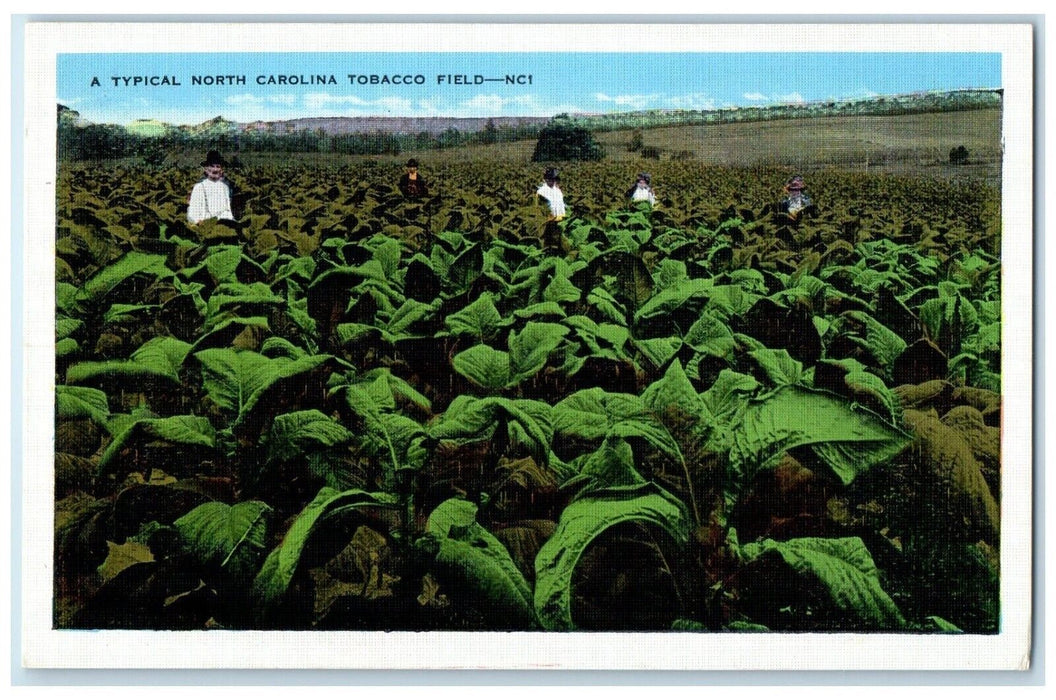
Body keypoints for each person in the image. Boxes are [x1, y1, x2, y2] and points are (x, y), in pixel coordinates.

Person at [187, 150, 237, 225]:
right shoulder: (199, 187)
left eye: (218, 166)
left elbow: (228, 210)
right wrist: (198, 221)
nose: (215, 170)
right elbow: (193, 213)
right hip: (206, 225)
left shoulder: (225, 187)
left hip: (224, 225)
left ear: (221, 170)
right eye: (212, 166)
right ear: (206, 169)